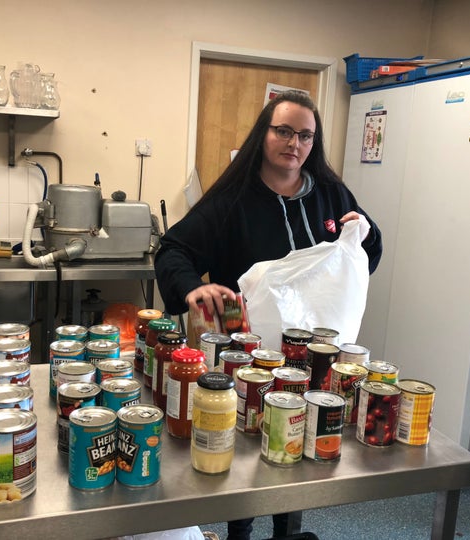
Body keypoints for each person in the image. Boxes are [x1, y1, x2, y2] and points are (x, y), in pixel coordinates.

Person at [154, 90, 383, 540]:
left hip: (311, 357)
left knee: (297, 441)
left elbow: (365, 256)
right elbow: (173, 250)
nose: (293, 143)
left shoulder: (332, 195)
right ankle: (239, 530)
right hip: (247, 355)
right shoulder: (232, 201)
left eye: (305, 135)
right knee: (245, 446)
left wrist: (367, 236)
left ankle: (288, 531)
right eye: (283, 131)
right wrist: (195, 288)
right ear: (264, 134)